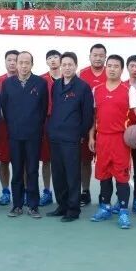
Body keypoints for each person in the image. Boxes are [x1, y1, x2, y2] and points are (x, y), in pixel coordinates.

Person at [89, 55, 136, 229]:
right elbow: (93, 116)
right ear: (106, 68)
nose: (112, 69)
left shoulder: (128, 90)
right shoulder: (96, 90)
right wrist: (92, 136)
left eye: (116, 66)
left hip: (120, 140)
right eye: (109, 65)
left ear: (122, 69)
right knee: (104, 175)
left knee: (122, 176)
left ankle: (123, 212)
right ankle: (105, 208)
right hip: (102, 139)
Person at [46, 52, 94, 222]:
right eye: (64, 65)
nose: (67, 68)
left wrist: (80, 134)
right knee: (58, 173)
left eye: (70, 65)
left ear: (75, 66)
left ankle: (73, 210)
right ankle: (62, 205)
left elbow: (87, 115)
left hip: (72, 138)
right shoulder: (56, 85)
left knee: (72, 175)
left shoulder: (83, 87)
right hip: (55, 136)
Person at [1, 51, 48, 218]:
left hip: (33, 135)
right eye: (20, 62)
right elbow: (5, 107)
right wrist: (13, 125)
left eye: (27, 62)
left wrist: (35, 127)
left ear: (32, 64)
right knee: (17, 170)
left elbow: (43, 109)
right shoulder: (7, 83)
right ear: (16, 64)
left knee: (32, 170)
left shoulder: (40, 83)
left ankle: (33, 205)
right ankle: (17, 205)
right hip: (14, 134)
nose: (23, 66)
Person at [78, 43, 107, 206]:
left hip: (105, 125)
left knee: (105, 162)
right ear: (89, 56)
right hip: (86, 123)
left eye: (101, 55)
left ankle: (105, 194)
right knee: (84, 161)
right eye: (95, 55)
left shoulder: (110, 72)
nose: (98, 58)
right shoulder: (81, 74)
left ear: (105, 57)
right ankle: (85, 191)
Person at [118, 54, 136, 216]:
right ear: (127, 68)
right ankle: (120, 199)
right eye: (132, 66)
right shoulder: (121, 86)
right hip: (123, 134)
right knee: (121, 168)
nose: (135, 69)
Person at [0, 50, 19, 206]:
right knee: (3, 161)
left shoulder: (28, 81)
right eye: (9, 60)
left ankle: (23, 192)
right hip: (3, 127)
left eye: (15, 60)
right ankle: (5, 191)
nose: (12, 63)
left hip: (21, 127)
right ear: (5, 62)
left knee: (22, 162)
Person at [39, 49, 62, 207]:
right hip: (46, 122)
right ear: (46, 61)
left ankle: (63, 192)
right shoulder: (41, 80)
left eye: (55, 57)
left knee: (62, 160)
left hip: (64, 123)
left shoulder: (68, 78)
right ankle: (47, 191)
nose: (53, 60)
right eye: (50, 58)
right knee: (46, 159)